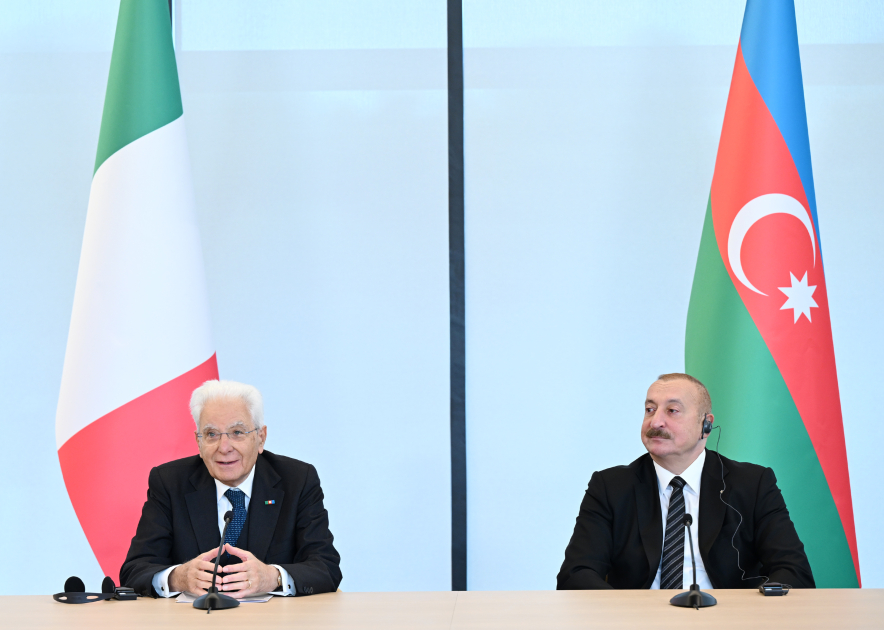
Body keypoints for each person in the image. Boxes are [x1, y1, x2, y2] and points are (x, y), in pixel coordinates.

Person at [557, 373, 814, 590]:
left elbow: (793, 571)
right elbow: (576, 574)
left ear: (706, 424)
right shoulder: (610, 486)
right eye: (650, 409)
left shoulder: (753, 483)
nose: (656, 421)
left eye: (672, 411)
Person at [120, 380, 342, 597]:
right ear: (198, 441)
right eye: (211, 434)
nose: (224, 448)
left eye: (237, 432)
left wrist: (273, 577)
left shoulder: (297, 480)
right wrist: (178, 577)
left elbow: (326, 567)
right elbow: (135, 570)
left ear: (261, 438)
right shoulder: (169, 482)